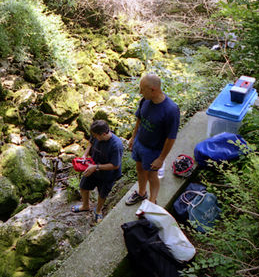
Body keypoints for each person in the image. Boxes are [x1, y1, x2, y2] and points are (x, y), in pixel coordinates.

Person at [125, 73, 180, 205]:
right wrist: (133, 138)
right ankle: (141, 193)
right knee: (139, 169)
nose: (140, 92)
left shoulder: (171, 110)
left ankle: (152, 202)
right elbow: (139, 119)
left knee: (152, 175)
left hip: (153, 149)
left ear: (153, 90)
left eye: (142, 89)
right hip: (140, 143)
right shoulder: (145, 100)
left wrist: (161, 158)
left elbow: (171, 137)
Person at [71, 120, 124, 223]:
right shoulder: (96, 134)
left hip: (108, 174)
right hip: (93, 166)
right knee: (83, 186)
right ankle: (85, 206)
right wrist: (85, 155)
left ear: (104, 134)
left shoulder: (116, 145)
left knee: (102, 194)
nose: (95, 138)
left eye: (96, 136)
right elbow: (91, 143)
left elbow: (115, 165)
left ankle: (98, 210)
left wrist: (95, 167)